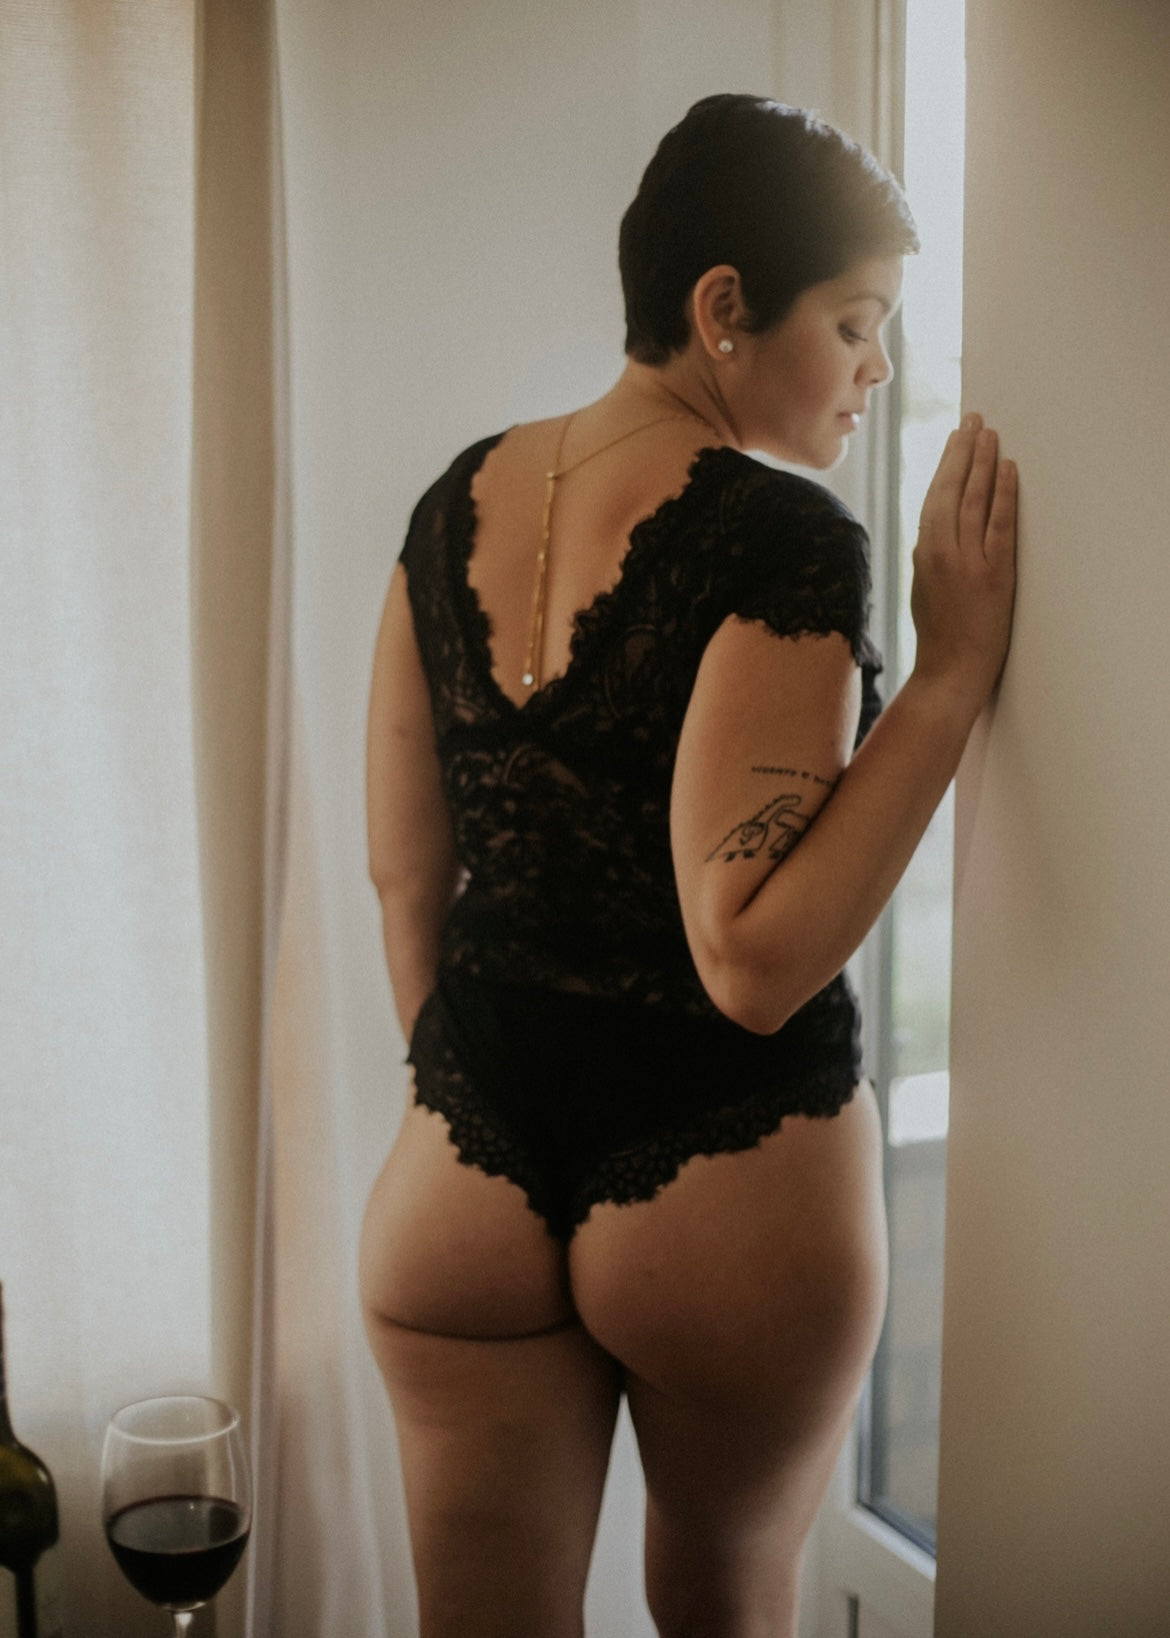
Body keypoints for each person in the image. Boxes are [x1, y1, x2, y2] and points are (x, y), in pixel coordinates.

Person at [359, 94, 1016, 1638]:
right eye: (853, 323)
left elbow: (403, 876)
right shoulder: (779, 536)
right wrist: (945, 679)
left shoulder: (451, 503)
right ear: (723, 307)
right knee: (725, 1602)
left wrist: (471, 1089)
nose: (876, 370)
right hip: (722, 1185)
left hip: (460, 1176)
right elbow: (750, 958)